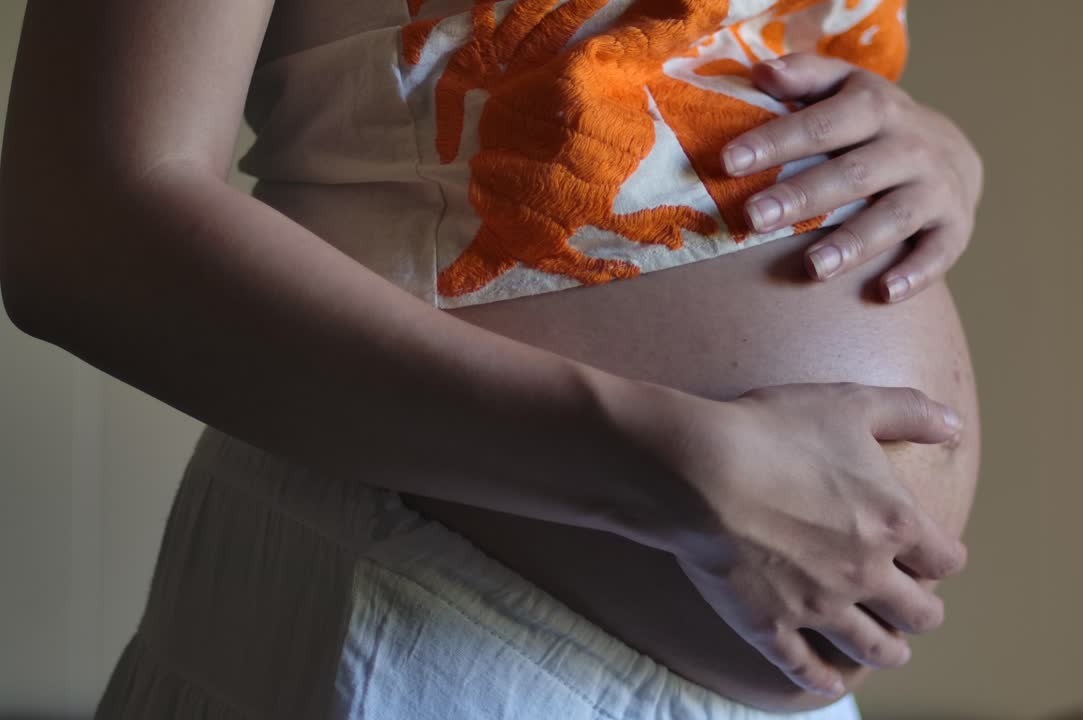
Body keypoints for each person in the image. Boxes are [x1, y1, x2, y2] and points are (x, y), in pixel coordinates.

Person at [0, 0, 982, 717]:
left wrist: (935, 142)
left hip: (755, 639)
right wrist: (655, 466)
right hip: (422, 613)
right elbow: (82, 227)